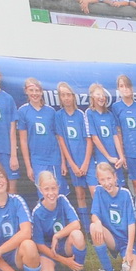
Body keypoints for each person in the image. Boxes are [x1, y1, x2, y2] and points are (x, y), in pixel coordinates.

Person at [29, 170, 87, 271]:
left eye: (53, 188)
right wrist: (64, 261)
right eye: (46, 189)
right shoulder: (37, 212)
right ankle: (60, 268)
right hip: (49, 250)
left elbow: (76, 224)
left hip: (64, 245)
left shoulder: (62, 200)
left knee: (77, 235)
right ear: (40, 190)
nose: (51, 193)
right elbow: (40, 245)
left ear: (58, 188)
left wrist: (57, 235)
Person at [88, 160, 136, 271]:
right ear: (98, 181)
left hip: (126, 241)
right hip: (111, 238)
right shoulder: (99, 191)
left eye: (109, 178)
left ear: (115, 177)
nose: (107, 183)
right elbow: (94, 215)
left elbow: (131, 224)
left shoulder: (125, 194)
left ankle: (127, 255)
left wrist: (129, 250)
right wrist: (98, 223)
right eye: (102, 180)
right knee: (93, 226)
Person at [13, 77, 59, 201]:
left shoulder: (50, 111)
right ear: (26, 91)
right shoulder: (23, 111)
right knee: (44, 194)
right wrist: (28, 166)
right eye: (31, 90)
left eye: (37, 90)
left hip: (54, 158)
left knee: (57, 192)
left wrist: (63, 162)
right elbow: (23, 141)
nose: (34, 93)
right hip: (37, 160)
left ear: (41, 92)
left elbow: (57, 137)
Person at [53, 81, 94, 212]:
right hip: (73, 163)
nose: (66, 98)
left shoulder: (81, 115)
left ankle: (102, 227)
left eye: (68, 94)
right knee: (80, 196)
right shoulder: (58, 116)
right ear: (60, 98)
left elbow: (89, 140)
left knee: (95, 193)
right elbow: (62, 142)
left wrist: (86, 164)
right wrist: (70, 164)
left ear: (73, 96)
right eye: (63, 95)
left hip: (87, 162)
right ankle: (87, 230)